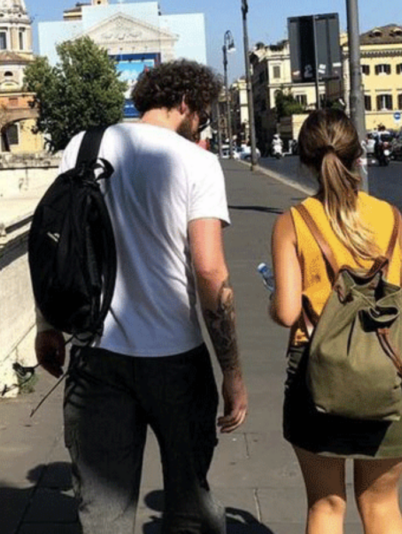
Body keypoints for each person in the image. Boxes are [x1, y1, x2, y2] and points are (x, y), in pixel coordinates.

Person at [34, 59, 248, 534]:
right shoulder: (196, 162)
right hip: (175, 359)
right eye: (204, 116)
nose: (202, 126)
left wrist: (47, 324)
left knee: (104, 515)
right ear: (186, 105)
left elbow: (55, 245)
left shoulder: (82, 146)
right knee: (190, 507)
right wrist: (232, 371)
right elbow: (210, 271)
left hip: (95, 356)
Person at [269, 109, 402, 534]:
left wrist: (274, 299)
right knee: (382, 505)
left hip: (317, 371)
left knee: (326, 505)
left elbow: (286, 312)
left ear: (304, 160)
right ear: (359, 155)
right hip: (387, 367)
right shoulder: (390, 216)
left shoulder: (294, 222)